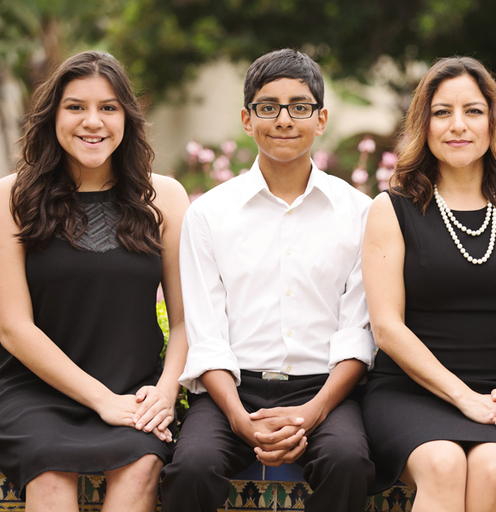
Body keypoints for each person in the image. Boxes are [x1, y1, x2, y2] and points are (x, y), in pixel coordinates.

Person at [160, 48, 376, 512]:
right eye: (268, 107)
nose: (283, 119)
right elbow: (206, 335)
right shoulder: (208, 215)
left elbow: (358, 333)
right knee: (191, 467)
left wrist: (312, 412)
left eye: (299, 107)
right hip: (232, 390)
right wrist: (239, 418)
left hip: (326, 388)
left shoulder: (359, 213)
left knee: (349, 462)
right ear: (246, 118)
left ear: (320, 120)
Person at [0, 51, 190, 511]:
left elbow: (185, 322)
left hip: (133, 387)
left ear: (127, 118)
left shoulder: (165, 196)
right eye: (75, 106)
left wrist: (165, 391)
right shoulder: (8, 198)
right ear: (53, 116)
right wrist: (101, 400)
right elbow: (14, 328)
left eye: (108, 108)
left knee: (141, 470)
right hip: (32, 390)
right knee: (49, 478)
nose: (92, 122)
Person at [359, 56, 496, 512]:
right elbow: (387, 328)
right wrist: (464, 398)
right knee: (443, 465)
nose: (457, 125)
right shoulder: (392, 209)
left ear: (494, 121)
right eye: (442, 112)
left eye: (473, 111)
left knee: (493, 469)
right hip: (409, 391)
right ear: (423, 124)